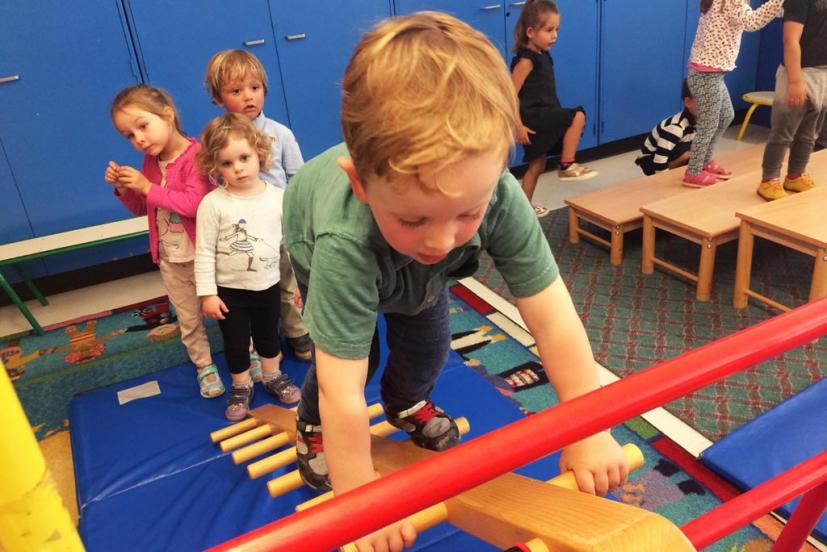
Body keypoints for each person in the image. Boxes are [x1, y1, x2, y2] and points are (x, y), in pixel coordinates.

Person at [283, 12, 628, 551]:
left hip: (404, 258)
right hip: (318, 234)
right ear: (363, 184)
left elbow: (553, 315)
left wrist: (589, 428)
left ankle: (405, 402)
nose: (442, 240)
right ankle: (309, 428)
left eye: (466, 213)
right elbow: (343, 391)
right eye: (417, 218)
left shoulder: (494, 193)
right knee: (355, 355)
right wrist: (359, 497)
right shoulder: (344, 241)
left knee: (429, 340)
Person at [104, 85, 224, 400]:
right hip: (172, 258)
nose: (139, 139)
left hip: (206, 256)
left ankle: (249, 352)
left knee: (228, 308)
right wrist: (124, 189)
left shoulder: (196, 156)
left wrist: (146, 186)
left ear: (167, 114)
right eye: (129, 135)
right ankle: (204, 366)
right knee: (188, 316)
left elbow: (193, 205)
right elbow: (144, 207)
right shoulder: (150, 162)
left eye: (142, 126)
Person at [204, 49, 313, 363]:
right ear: (219, 98)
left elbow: (298, 180)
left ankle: (296, 330)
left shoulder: (280, 134)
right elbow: (211, 180)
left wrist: (301, 221)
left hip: (279, 228)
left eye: (254, 88)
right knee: (245, 286)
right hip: (241, 232)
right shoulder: (216, 138)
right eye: (236, 91)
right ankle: (250, 339)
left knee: (287, 281)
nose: (248, 96)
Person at [195, 113, 301, 421]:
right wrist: (207, 294)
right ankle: (241, 384)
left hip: (267, 285)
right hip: (229, 291)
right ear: (215, 167)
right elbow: (203, 251)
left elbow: (291, 245)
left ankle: (271, 375)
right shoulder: (213, 204)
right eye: (227, 163)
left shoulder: (279, 199)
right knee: (236, 342)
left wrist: (302, 286)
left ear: (260, 154)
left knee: (269, 335)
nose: (238, 167)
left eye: (244, 158)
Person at [510, 0, 598, 218]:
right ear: (531, 32)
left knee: (537, 165)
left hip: (544, 114)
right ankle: (567, 164)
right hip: (533, 117)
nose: (554, 35)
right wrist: (517, 124)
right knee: (577, 115)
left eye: (556, 29)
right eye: (549, 30)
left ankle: (522, 210)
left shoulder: (543, 56)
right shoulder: (526, 61)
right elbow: (508, 93)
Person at [684, 0, 783, 187]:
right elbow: (753, 22)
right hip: (705, 74)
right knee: (709, 123)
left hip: (712, 73)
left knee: (726, 116)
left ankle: (705, 162)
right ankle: (693, 171)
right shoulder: (730, 2)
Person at [757, 0, 827, 200]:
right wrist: (795, 80)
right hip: (799, 73)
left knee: (810, 133)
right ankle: (768, 179)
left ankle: (795, 174)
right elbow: (790, 39)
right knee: (783, 133)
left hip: (822, 74)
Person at [636, 80, 698, 176]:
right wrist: (663, 181)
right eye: (706, 101)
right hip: (651, 161)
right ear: (688, 102)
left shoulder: (703, 121)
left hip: (673, 150)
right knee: (689, 152)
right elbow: (659, 160)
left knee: (697, 150)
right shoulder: (676, 127)